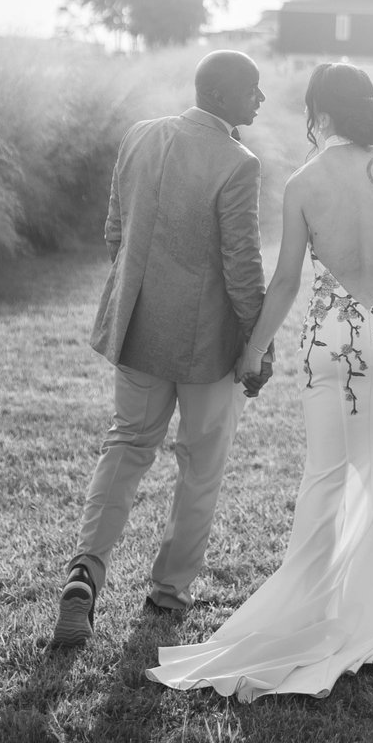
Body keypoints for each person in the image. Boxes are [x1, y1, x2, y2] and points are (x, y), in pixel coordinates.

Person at [146, 60, 373, 701]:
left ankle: (312, 598)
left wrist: (253, 351)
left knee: (327, 474)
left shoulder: (304, 183)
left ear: (322, 114)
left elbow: (284, 281)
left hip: (332, 340)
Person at [51, 50, 274, 647]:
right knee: (200, 465)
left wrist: (140, 299)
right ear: (220, 95)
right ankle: (169, 590)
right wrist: (258, 345)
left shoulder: (139, 135)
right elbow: (242, 265)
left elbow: (115, 232)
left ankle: (85, 572)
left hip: (138, 331)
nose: (260, 100)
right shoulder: (238, 162)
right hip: (208, 347)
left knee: (126, 446)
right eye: (252, 89)